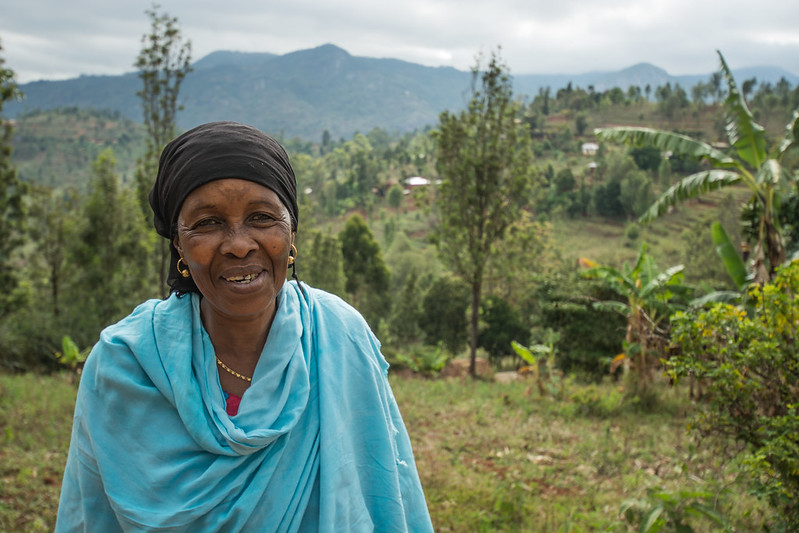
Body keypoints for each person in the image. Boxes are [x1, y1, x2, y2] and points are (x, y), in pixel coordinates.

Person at [55, 121, 433, 532]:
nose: (239, 244)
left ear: (291, 233)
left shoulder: (340, 337)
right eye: (207, 223)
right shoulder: (125, 364)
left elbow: (387, 498)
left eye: (261, 217)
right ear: (178, 245)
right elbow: (90, 517)